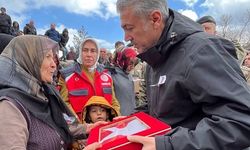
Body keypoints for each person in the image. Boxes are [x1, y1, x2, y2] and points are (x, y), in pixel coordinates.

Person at [116, 0, 250, 149]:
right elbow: (158, 107)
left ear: (155, 19)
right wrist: (133, 121)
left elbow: (240, 121)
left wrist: (167, 146)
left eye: (129, 28)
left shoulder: (201, 50)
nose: (126, 37)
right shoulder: (154, 59)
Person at [0, 35, 104, 150]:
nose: (54, 64)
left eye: (53, 57)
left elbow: (60, 124)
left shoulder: (45, 94)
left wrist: (88, 128)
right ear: (28, 60)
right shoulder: (9, 107)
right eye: (47, 57)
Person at [58, 38, 120, 121]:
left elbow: (113, 101)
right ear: (80, 52)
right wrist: (81, 127)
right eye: (85, 50)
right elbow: (64, 105)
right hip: (80, 131)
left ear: (97, 54)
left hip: (105, 128)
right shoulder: (67, 75)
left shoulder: (107, 74)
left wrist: (115, 120)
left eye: (93, 51)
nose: (89, 54)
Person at [109, 46, 138, 116]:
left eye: (135, 63)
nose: (133, 67)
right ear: (121, 59)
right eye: (130, 63)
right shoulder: (111, 75)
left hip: (132, 115)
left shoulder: (128, 74)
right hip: (120, 118)